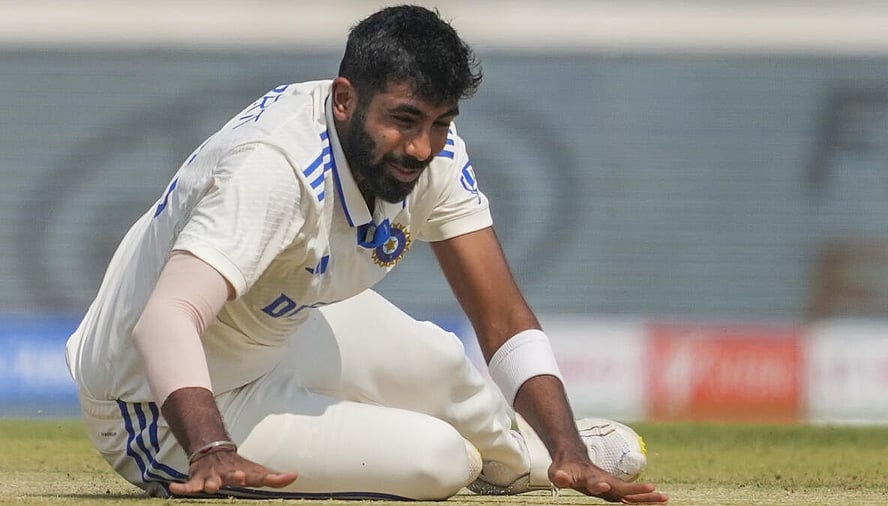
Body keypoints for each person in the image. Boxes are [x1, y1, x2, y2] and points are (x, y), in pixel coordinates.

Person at [65, 5, 667, 504]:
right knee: (439, 460)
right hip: (153, 401)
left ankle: (535, 460)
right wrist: (212, 446)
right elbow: (166, 319)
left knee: (442, 361)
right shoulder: (273, 170)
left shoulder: (433, 149)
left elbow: (502, 315)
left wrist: (570, 448)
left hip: (277, 321)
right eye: (404, 120)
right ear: (345, 99)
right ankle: (495, 458)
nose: (421, 147)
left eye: (440, 122)